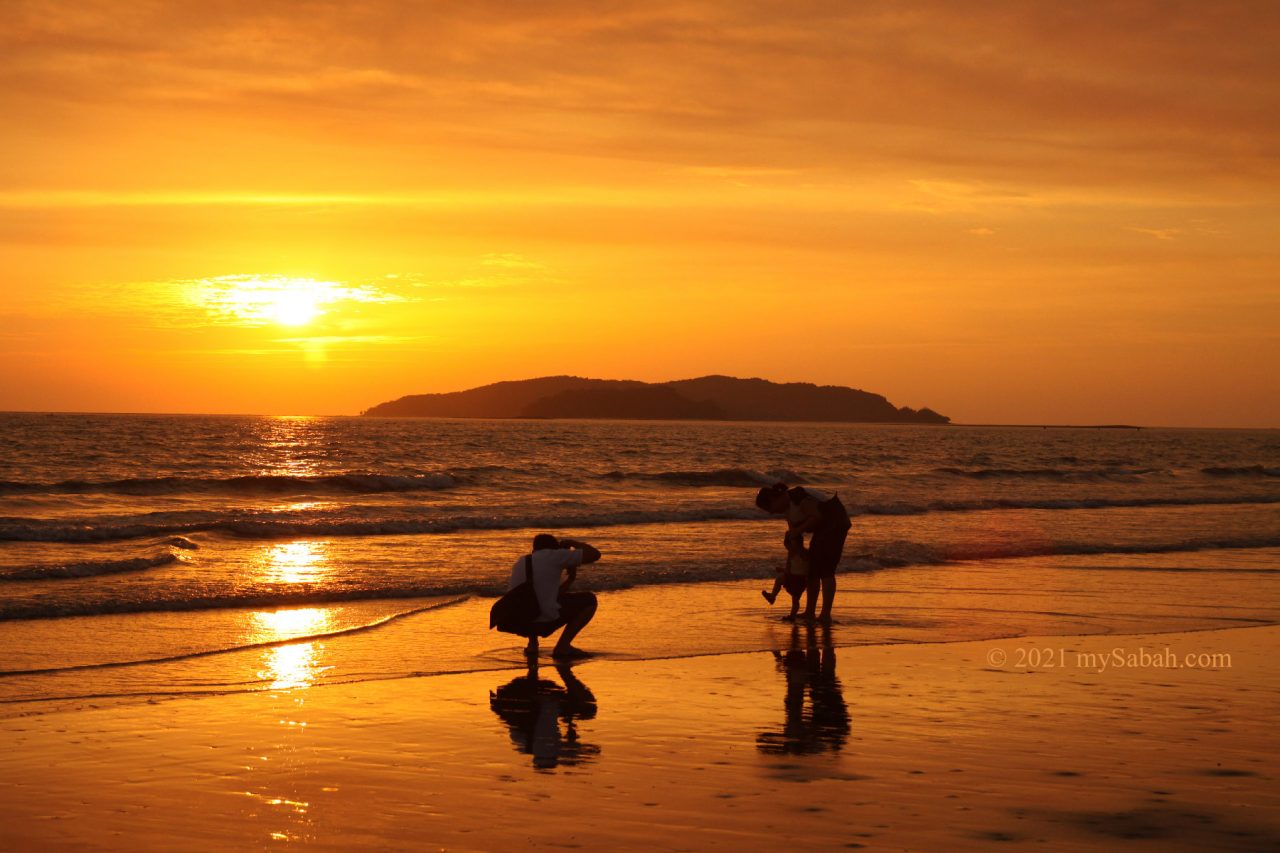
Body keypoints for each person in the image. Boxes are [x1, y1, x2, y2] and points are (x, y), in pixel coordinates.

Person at [755, 482, 851, 625]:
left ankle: (825, 614)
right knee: (812, 569)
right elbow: (795, 536)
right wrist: (794, 551)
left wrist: (797, 531)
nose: (771, 512)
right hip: (822, 528)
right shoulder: (787, 510)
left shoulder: (797, 496)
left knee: (826, 569)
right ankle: (809, 611)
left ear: (774, 499)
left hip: (835, 521)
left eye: (769, 508)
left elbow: (817, 516)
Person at [508, 533, 601, 660]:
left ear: (534, 549)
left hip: (518, 624)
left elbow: (545, 595)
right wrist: (571, 542)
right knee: (589, 600)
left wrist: (570, 580)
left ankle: (532, 645)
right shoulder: (554, 556)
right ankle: (563, 646)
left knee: (530, 599)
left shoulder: (522, 561)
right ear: (555, 549)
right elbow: (595, 554)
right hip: (542, 623)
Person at [761, 529, 808, 620]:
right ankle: (772, 597)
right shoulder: (801, 551)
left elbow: (795, 568)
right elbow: (798, 567)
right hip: (796, 577)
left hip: (797, 578)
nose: (791, 544)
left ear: (796, 542)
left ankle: (792, 615)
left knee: (795, 599)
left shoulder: (796, 552)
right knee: (780, 579)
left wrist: (787, 535)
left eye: (792, 541)